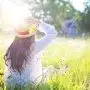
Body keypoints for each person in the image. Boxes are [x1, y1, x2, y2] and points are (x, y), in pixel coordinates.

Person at [4, 18, 57, 87]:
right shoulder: (35, 46)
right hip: (29, 84)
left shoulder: (11, 47)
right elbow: (52, 32)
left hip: (11, 83)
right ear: (32, 33)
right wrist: (39, 23)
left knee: (44, 68)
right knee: (49, 69)